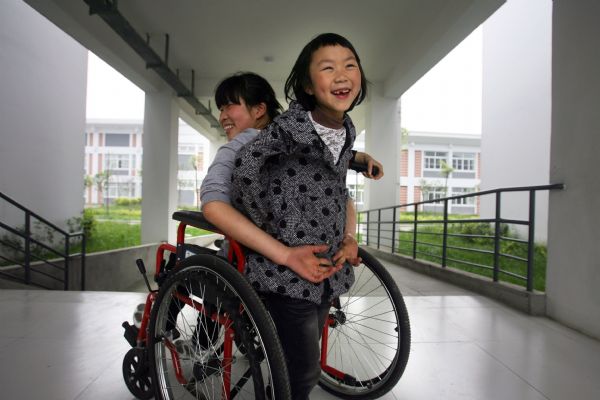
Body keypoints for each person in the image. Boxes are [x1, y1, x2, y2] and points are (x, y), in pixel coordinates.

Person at [228, 33, 371, 400]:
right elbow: (246, 166)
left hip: (325, 268)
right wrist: (265, 221)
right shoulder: (293, 126)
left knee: (304, 356)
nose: (342, 74)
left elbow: (338, 186)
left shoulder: (346, 129)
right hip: (286, 272)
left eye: (349, 65)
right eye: (328, 68)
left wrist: (348, 235)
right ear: (308, 84)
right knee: (303, 371)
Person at [201, 72, 382, 277]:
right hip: (319, 260)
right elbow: (341, 195)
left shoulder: (238, 147)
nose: (222, 116)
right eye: (221, 109)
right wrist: (348, 237)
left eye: (229, 106)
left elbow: (213, 205)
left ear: (260, 109)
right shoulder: (298, 144)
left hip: (255, 266)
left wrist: (286, 255)